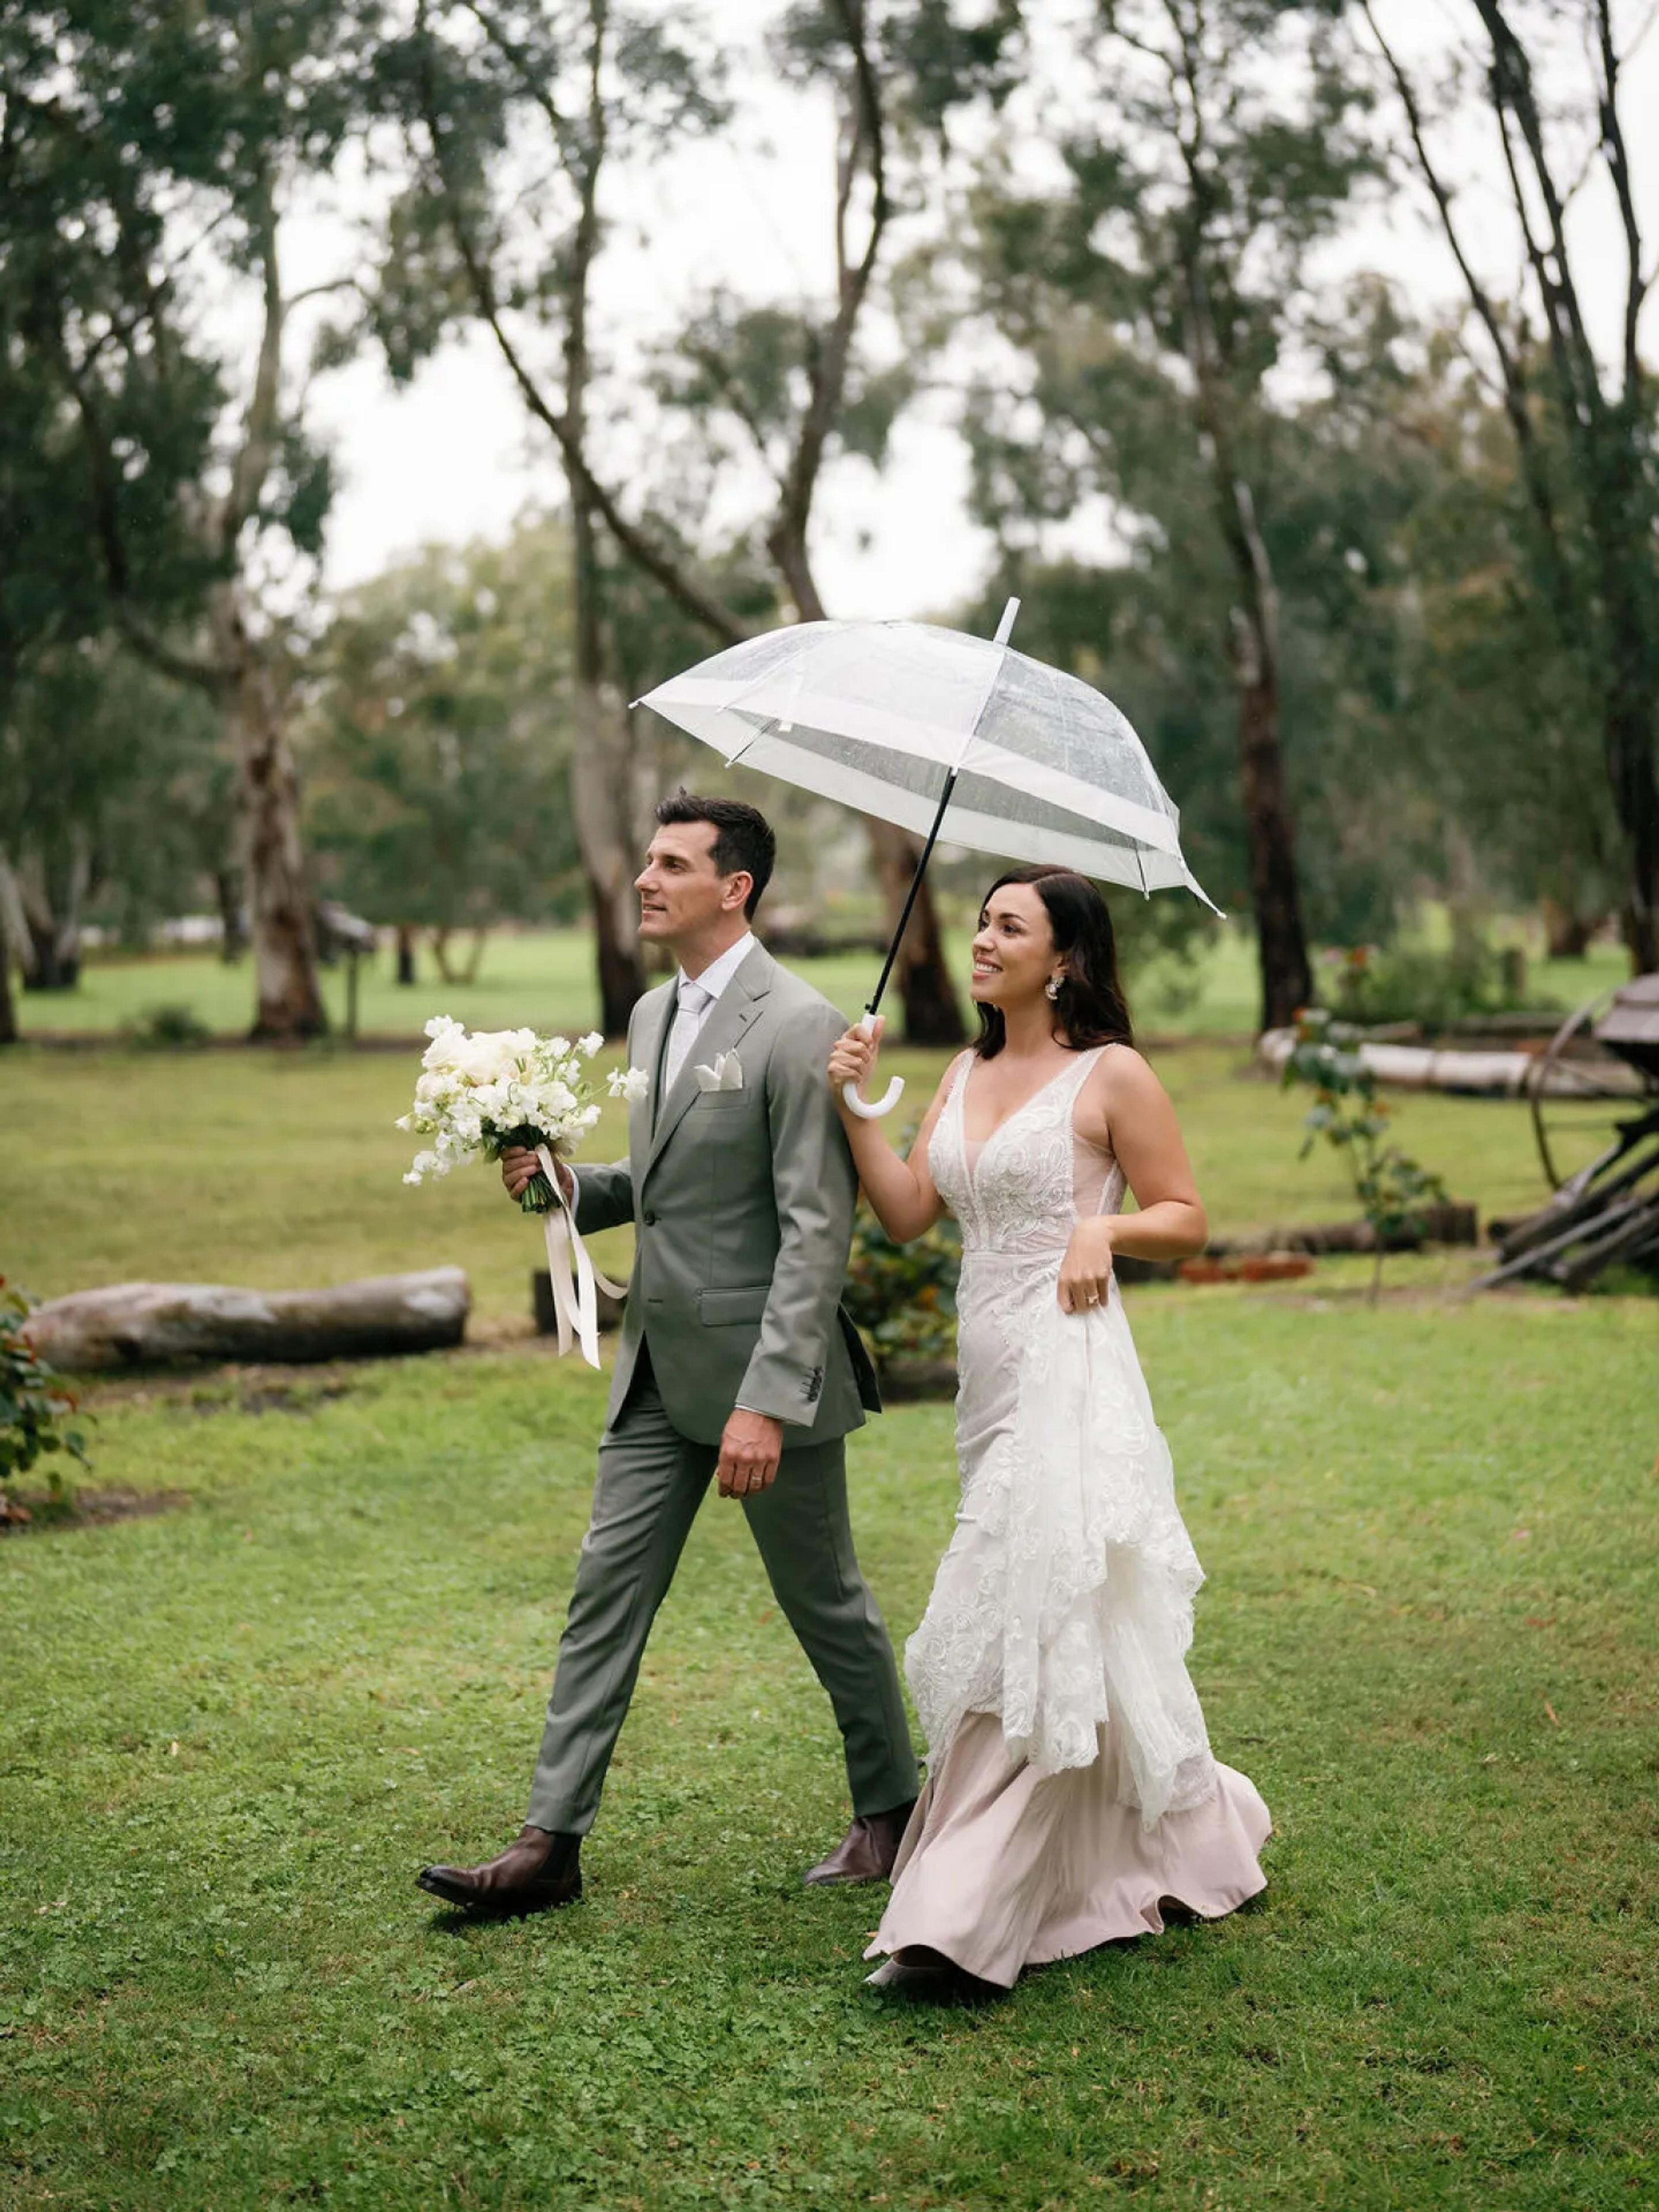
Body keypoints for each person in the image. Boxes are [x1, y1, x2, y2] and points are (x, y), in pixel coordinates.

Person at [418, 793, 918, 1915]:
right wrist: (565, 1185)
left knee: (825, 1601)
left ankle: (891, 1811)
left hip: (763, 1383)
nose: (645, 879)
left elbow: (812, 1230)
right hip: (655, 1366)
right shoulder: (650, 1016)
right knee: (604, 1592)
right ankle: (550, 1845)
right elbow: (669, 1187)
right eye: (647, 859)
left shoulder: (799, 1024)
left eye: (672, 863)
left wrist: (766, 1404)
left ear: (734, 888)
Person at [827, 864, 1269, 1995]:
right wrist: (853, 1107)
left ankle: (959, 1917)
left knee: (1029, 1591)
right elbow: (913, 1211)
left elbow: (1186, 1218)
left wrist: (1101, 1232)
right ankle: (1177, 1827)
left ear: (1063, 960)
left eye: (1007, 926)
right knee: (1030, 1597)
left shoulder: (1109, 1074)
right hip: (989, 1378)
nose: (981, 939)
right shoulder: (965, 1072)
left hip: (1071, 1367)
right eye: (980, 921)